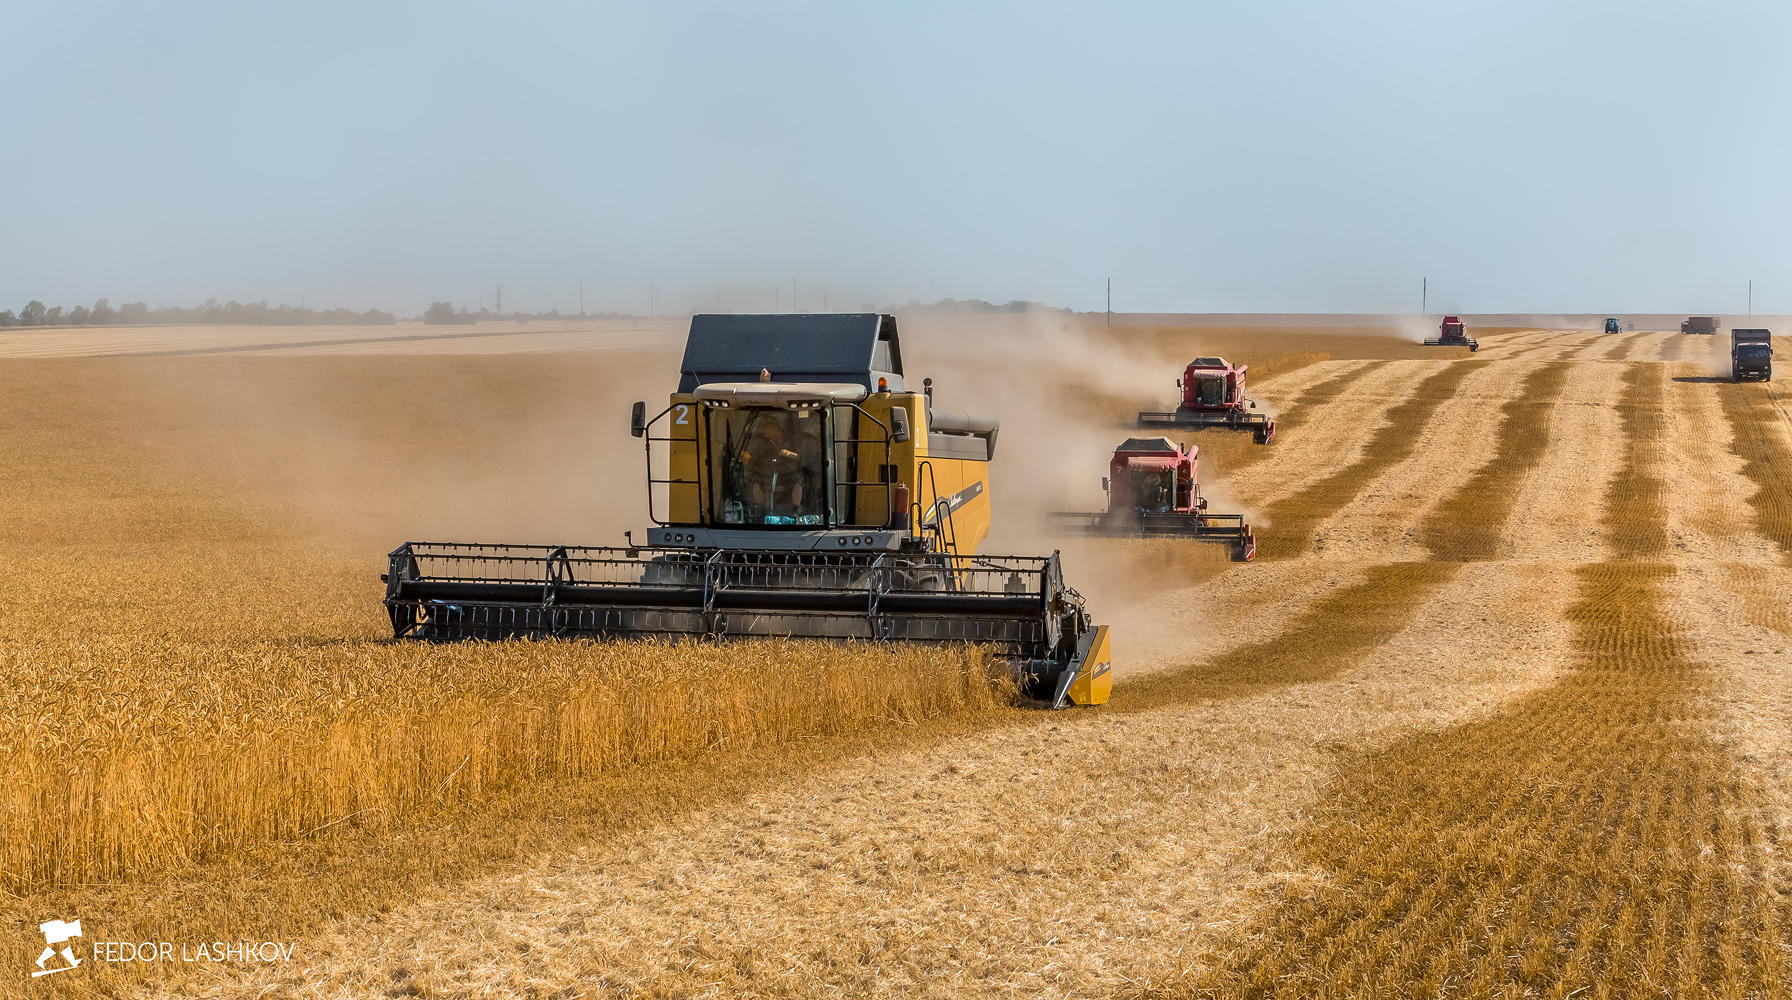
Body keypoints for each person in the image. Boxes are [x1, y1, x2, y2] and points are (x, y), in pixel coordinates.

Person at [739, 414, 821, 519]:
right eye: (765, 430)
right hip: (769, 473)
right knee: (756, 483)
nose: (767, 432)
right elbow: (754, 457)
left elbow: (802, 458)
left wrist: (788, 454)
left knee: (798, 482)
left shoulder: (792, 440)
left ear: (775, 427)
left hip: (790, 472)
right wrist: (747, 457)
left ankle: (795, 510)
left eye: (768, 428)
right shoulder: (763, 443)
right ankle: (761, 510)